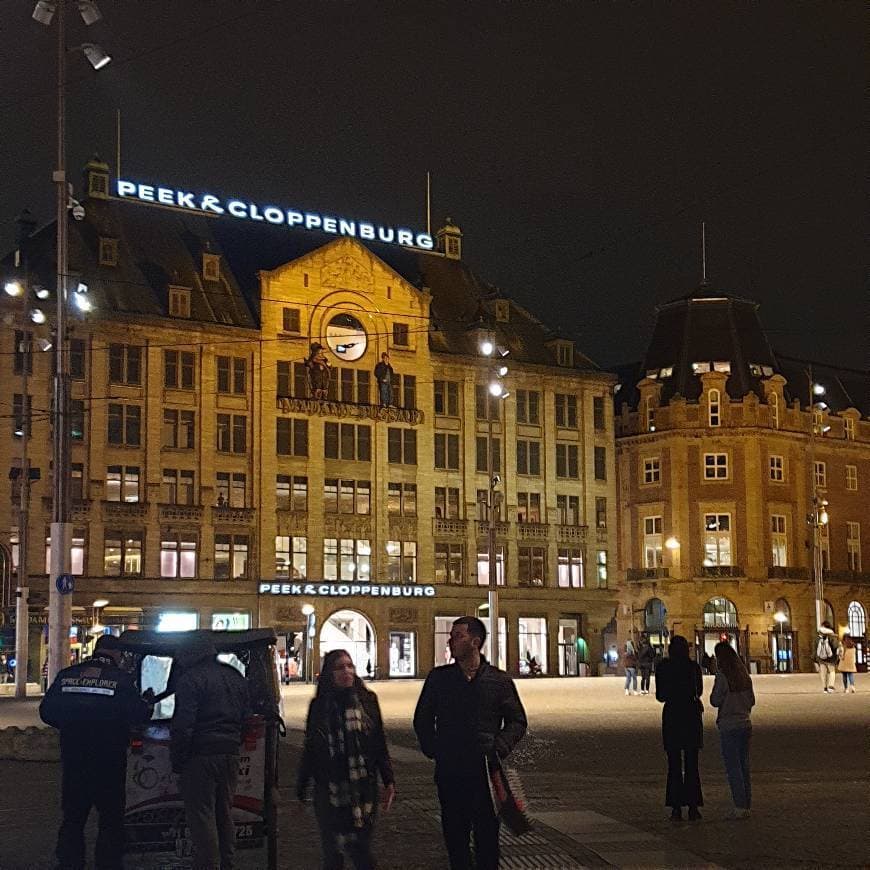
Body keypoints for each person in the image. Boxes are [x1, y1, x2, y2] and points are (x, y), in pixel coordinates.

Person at [414, 616, 528, 870]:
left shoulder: (498, 681)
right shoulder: (439, 679)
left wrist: (499, 747)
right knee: (455, 839)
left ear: (475, 642)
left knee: (488, 839)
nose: (451, 641)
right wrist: (435, 749)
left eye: (458, 636)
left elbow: (517, 721)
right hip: (450, 771)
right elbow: (422, 719)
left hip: (486, 773)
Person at [39, 634, 153, 870]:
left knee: (73, 818)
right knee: (110, 820)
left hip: (74, 761)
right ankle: (107, 864)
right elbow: (138, 715)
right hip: (109, 762)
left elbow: (47, 712)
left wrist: (72, 725)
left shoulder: (68, 675)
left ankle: (70, 864)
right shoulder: (121, 680)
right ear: (118, 655)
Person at [297, 649, 396, 869]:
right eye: (340, 667)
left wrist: (389, 780)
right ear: (329, 673)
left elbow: (379, 742)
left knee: (361, 850)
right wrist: (301, 788)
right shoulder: (319, 706)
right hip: (329, 788)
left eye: (350, 666)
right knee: (332, 854)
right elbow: (311, 748)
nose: (346, 672)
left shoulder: (367, 700)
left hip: (363, 788)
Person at [170, 633, 251, 870]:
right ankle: (228, 861)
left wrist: (178, 759)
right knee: (224, 811)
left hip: (200, 754)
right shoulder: (234, 676)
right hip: (230, 753)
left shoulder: (191, 679)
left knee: (202, 814)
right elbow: (246, 717)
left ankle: (209, 864)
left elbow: (184, 725)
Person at [655, 635, 704, 822]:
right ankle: (693, 807)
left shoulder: (663, 667)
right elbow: (698, 691)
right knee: (692, 764)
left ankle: (676, 808)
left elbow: (660, 696)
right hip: (691, 714)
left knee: (674, 764)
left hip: (673, 715)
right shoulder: (693, 667)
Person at [710, 642, 755, 819]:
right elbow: (752, 701)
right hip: (745, 723)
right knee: (744, 766)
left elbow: (714, 700)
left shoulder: (722, 677)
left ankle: (739, 805)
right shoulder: (745, 676)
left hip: (729, 725)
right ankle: (746, 804)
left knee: (733, 767)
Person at [814, 621, 839, 692]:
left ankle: (825, 688)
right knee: (832, 671)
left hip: (821, 658)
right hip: (831, 658)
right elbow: (835, 646)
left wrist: (815, 660)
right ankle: (831, 686)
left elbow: (815, 648)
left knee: (823, 673)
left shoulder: (818, 637)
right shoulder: (831, 636)